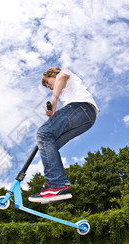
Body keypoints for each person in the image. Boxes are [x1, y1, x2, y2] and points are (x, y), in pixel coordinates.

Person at [29, 67, 99, 204]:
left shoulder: (63, 73)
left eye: (49, 83)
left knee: (43, 133)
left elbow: (62, 78)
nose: (50, 88)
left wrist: (53, 100)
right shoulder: (67, 92)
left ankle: (56, 184)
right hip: (87, 118)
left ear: (54, 74)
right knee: (49, 144)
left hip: (81, 108)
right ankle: (57, 184)